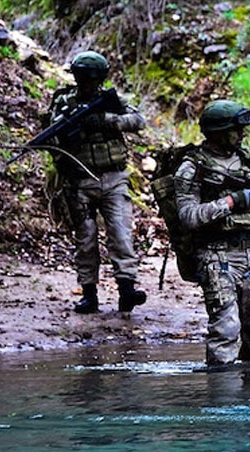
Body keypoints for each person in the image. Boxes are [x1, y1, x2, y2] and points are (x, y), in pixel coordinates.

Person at [47, 50, 147, 314]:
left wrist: (104, 121)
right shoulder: (63, 103)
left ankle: (127, 290)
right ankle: (89, 294)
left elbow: (138, 120)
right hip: (79, 182)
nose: (88, 84)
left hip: (114, 177)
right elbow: (51, 136)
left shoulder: (110, 101)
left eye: (93, 79)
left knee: (121, 235)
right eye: (84, 79)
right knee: (86, 239)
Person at [174, 99, 250, 366]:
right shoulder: (192, 167)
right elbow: (188, 216)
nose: (242, 134)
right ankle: (222, 397)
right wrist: (231, 202)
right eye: (235, 130)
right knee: (225, 328)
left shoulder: (247, 161)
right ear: (217, 131)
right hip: (218, 256)